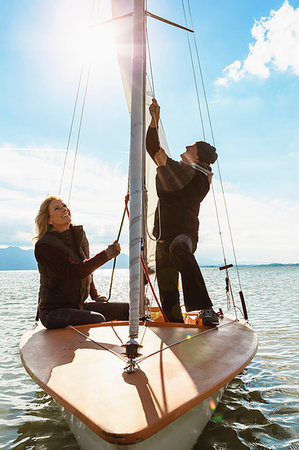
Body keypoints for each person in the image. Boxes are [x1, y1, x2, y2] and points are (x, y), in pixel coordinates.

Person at [146, 99, 219, 326]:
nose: (186, 148)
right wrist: (154, 121)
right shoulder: (179, 170)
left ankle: (206, 308)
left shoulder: (200, 177)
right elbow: (153, 149)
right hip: (162, 237)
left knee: (179, 249)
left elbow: (186, 184)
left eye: (191, 148)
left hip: (184, 235)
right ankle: (174, 324)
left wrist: (166, 168)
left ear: (198, 156)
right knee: (168, 296)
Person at [34, 195, 129, 329]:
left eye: (64, 206)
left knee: (130, 310)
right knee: (97, 319)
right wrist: (107, 254)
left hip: (78, 307)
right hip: (52, 312)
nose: (64, 209)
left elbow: (86, 268)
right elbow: (73, 272)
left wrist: (95, 296)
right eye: (57, 208)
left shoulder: (78, 236)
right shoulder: (45, 246)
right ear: (49, 220)